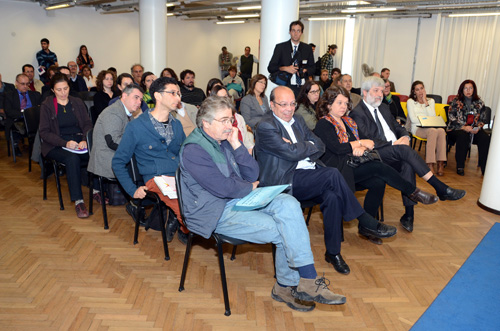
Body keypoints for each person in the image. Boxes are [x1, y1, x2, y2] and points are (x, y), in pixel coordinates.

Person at [180, 96, 346, 312]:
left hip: (237, 200)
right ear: (206, 123)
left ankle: (307, 280)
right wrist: (250, 188)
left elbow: (252, 172)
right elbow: (222, 187)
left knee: (289, 204)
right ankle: (286, 286)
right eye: (224, 121)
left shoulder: (224, 141)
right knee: (284, 227)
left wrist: (237, 144)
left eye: (231, 119)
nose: (230, 125)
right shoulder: (194, 149)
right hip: (214, 211)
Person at [255, 86, 397, 275]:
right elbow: (291, 153)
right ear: (272, 105)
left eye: (292, 104)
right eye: (283, 104)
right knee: (332, 174)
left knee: (333, 196)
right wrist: (304, 146)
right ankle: (366, 221)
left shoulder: (297, 120)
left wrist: (299, 147)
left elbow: (319, 145)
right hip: (286, 181)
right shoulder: (266, 126)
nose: (289, 108)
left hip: (310, 174)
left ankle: (333, 252)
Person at [350, 77, 466, 232]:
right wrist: (394, 144)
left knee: (407, 164)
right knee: (404, 151)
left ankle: (409, 215)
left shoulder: (384, 108)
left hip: (395, 151)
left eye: (381, 91)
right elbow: (368, 139)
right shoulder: (358, 113)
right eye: (375, 91)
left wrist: (405, 136)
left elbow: (398, 127)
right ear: (365, 93)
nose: (379, 94)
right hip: (376, 154)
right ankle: (441, 188)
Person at [313, 86, 437, 219]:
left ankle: (368, 226)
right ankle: (412, 192)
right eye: (339, 103)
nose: (344, 106)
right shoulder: (324, 124)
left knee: (378, 181)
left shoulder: (348, 122)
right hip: (338, 171)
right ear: (328, 104)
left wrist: (361, 147)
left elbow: (367, 142)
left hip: (354, 165)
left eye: (345, 103)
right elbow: (338, 148)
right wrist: (360, 144)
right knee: (378, 167)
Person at [112, 77, 188, 244]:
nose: (178, 98)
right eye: (173, 93)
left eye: (179, 93)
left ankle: (182, 225)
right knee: (187, 209)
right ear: (158, 96)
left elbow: (184, 154)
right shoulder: (136, 127)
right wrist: (132, 190)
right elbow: (118, 163)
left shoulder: (176, 125)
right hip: (156, 178)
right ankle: (185, 226)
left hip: (178, 176)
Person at [39, 73, 94, 218]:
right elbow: (44, 132)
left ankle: (96, 190)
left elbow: (88, 124)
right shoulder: (47, 105)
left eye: (65, 88)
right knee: (72, 159)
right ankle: (79, 201)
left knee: (96, 153)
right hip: (56, 144)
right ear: (52, 90)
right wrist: (65, 143)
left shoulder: (77, 102)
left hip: (77, 142)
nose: (63, 93)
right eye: (59, 90)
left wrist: (84, 139)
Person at [88, 84, 144, 179]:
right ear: (125, 95)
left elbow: (135, 135)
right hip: (108, 158)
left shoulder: (128, 113)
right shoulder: (113, 111)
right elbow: (113, 141)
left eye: (141, 100)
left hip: (118, 154)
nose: (139, 102)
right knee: (146, 165)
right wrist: (137, 147)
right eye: (136, 97)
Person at [447, 79, 491, 176]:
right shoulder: (455, 101)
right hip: (456, 129)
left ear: (474, 90)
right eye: (466, 88)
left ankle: (484, 168)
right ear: (462, 90)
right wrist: (463, 127)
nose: (468, 90)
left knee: (485, 138)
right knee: (463, 136)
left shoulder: (480, 102)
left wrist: (478, 128)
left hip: (473, 129)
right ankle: (460, 166)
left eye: (470, 88)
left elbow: (483, 119)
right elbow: (451, 117)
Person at [407, 81, 447, 175]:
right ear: (414, 92)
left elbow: (432, 116)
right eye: (417, 89)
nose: (420, 91)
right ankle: (430, 164)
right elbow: (413, 119)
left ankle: (440, 163)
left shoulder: (431, 101)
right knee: (433, 131)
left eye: (422, 88)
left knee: (441, 131)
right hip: (417, 128)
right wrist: (425, 120)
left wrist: (425, 102)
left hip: (430, 126)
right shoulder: (411, 101)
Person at [268, 20, 315, 96]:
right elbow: (271, 68)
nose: (296, 33)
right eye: (293, 30)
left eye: (298, 31)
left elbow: (313, 68)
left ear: (302, 33)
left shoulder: (307, 48)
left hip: (303, 88)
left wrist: (305, 70)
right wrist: (285, 68)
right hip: (286, 86)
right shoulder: (280, 47)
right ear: (289, 32)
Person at [3, 73, 42, 156]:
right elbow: (9, 111)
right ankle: (16, 145)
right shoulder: (9, 95)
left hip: (32, 119)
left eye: (27, 84)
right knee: (18, 125)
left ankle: (37, 146)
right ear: (16, 83)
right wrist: (24, 114)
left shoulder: (35, 94)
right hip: (17, 119)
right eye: (22, 84)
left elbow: (40, 108)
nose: (25, 86)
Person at [210, 85, 254, 153]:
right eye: (220, 98)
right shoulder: (213, 122)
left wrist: (250, 154)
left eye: (226, 97)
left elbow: (247, 143)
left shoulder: (239, 118)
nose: (225, 100)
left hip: (241, 153)